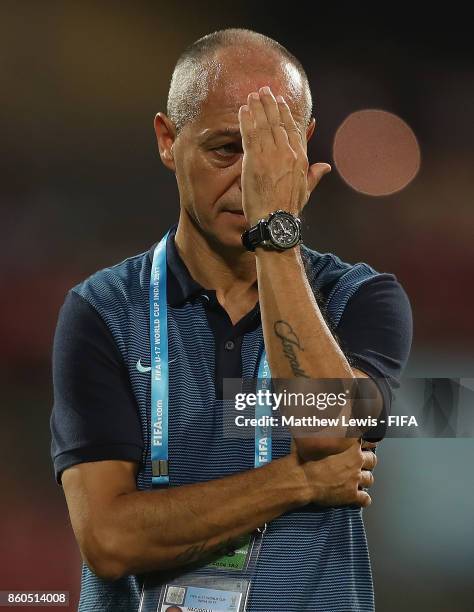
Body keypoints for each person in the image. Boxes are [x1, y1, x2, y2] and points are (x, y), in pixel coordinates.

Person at [50, 28, 412, 612]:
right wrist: (298, 482)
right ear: (168, 140)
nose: (253, 180)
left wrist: (275, 237)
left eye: (272, 152)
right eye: (227, 149)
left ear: (304, 146)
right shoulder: (102, 312)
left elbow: (325, 431)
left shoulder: (361, 297)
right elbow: (110, 540)